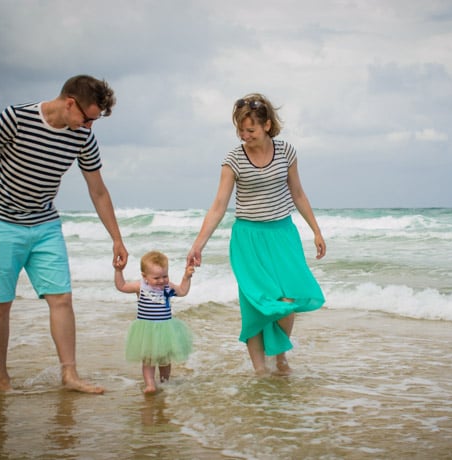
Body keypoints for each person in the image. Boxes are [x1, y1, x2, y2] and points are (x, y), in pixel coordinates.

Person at [0, 75, 129, 394]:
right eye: (88, 118)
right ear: (69, 103)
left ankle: (70, 375)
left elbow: (98, 191)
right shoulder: (16, 117)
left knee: (62, 298)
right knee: (0, 303)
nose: (90, 127)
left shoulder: (83, 138)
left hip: (46, 224)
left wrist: (116, 238)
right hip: (1, 221)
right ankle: (2, 381)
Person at [187, 93, 326, 376]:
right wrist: (198, 244)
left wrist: (316, 230)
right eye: (240, 129)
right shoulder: (233, 160)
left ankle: (281, 353)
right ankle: (261, 372)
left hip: (282, 235)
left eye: (249, 129)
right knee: (256, 305)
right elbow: (218, 206)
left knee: (288, 301)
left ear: (266, 125)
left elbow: (297, 193)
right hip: (248, 239)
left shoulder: (286, 152)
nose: (243, 135)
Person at [115, 251, 194, 394]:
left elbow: (182, 291)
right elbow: (122, 286)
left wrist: (186, 277)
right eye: (156, 278)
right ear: (144, 276)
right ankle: (150, 384)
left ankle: (165, 381)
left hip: (165, 329)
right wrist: (118, 271)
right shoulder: (141, 287)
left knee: (165, 359)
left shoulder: (168, 287)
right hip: (147, 330)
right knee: (148, 359)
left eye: (165, 276)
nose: (161, 281)